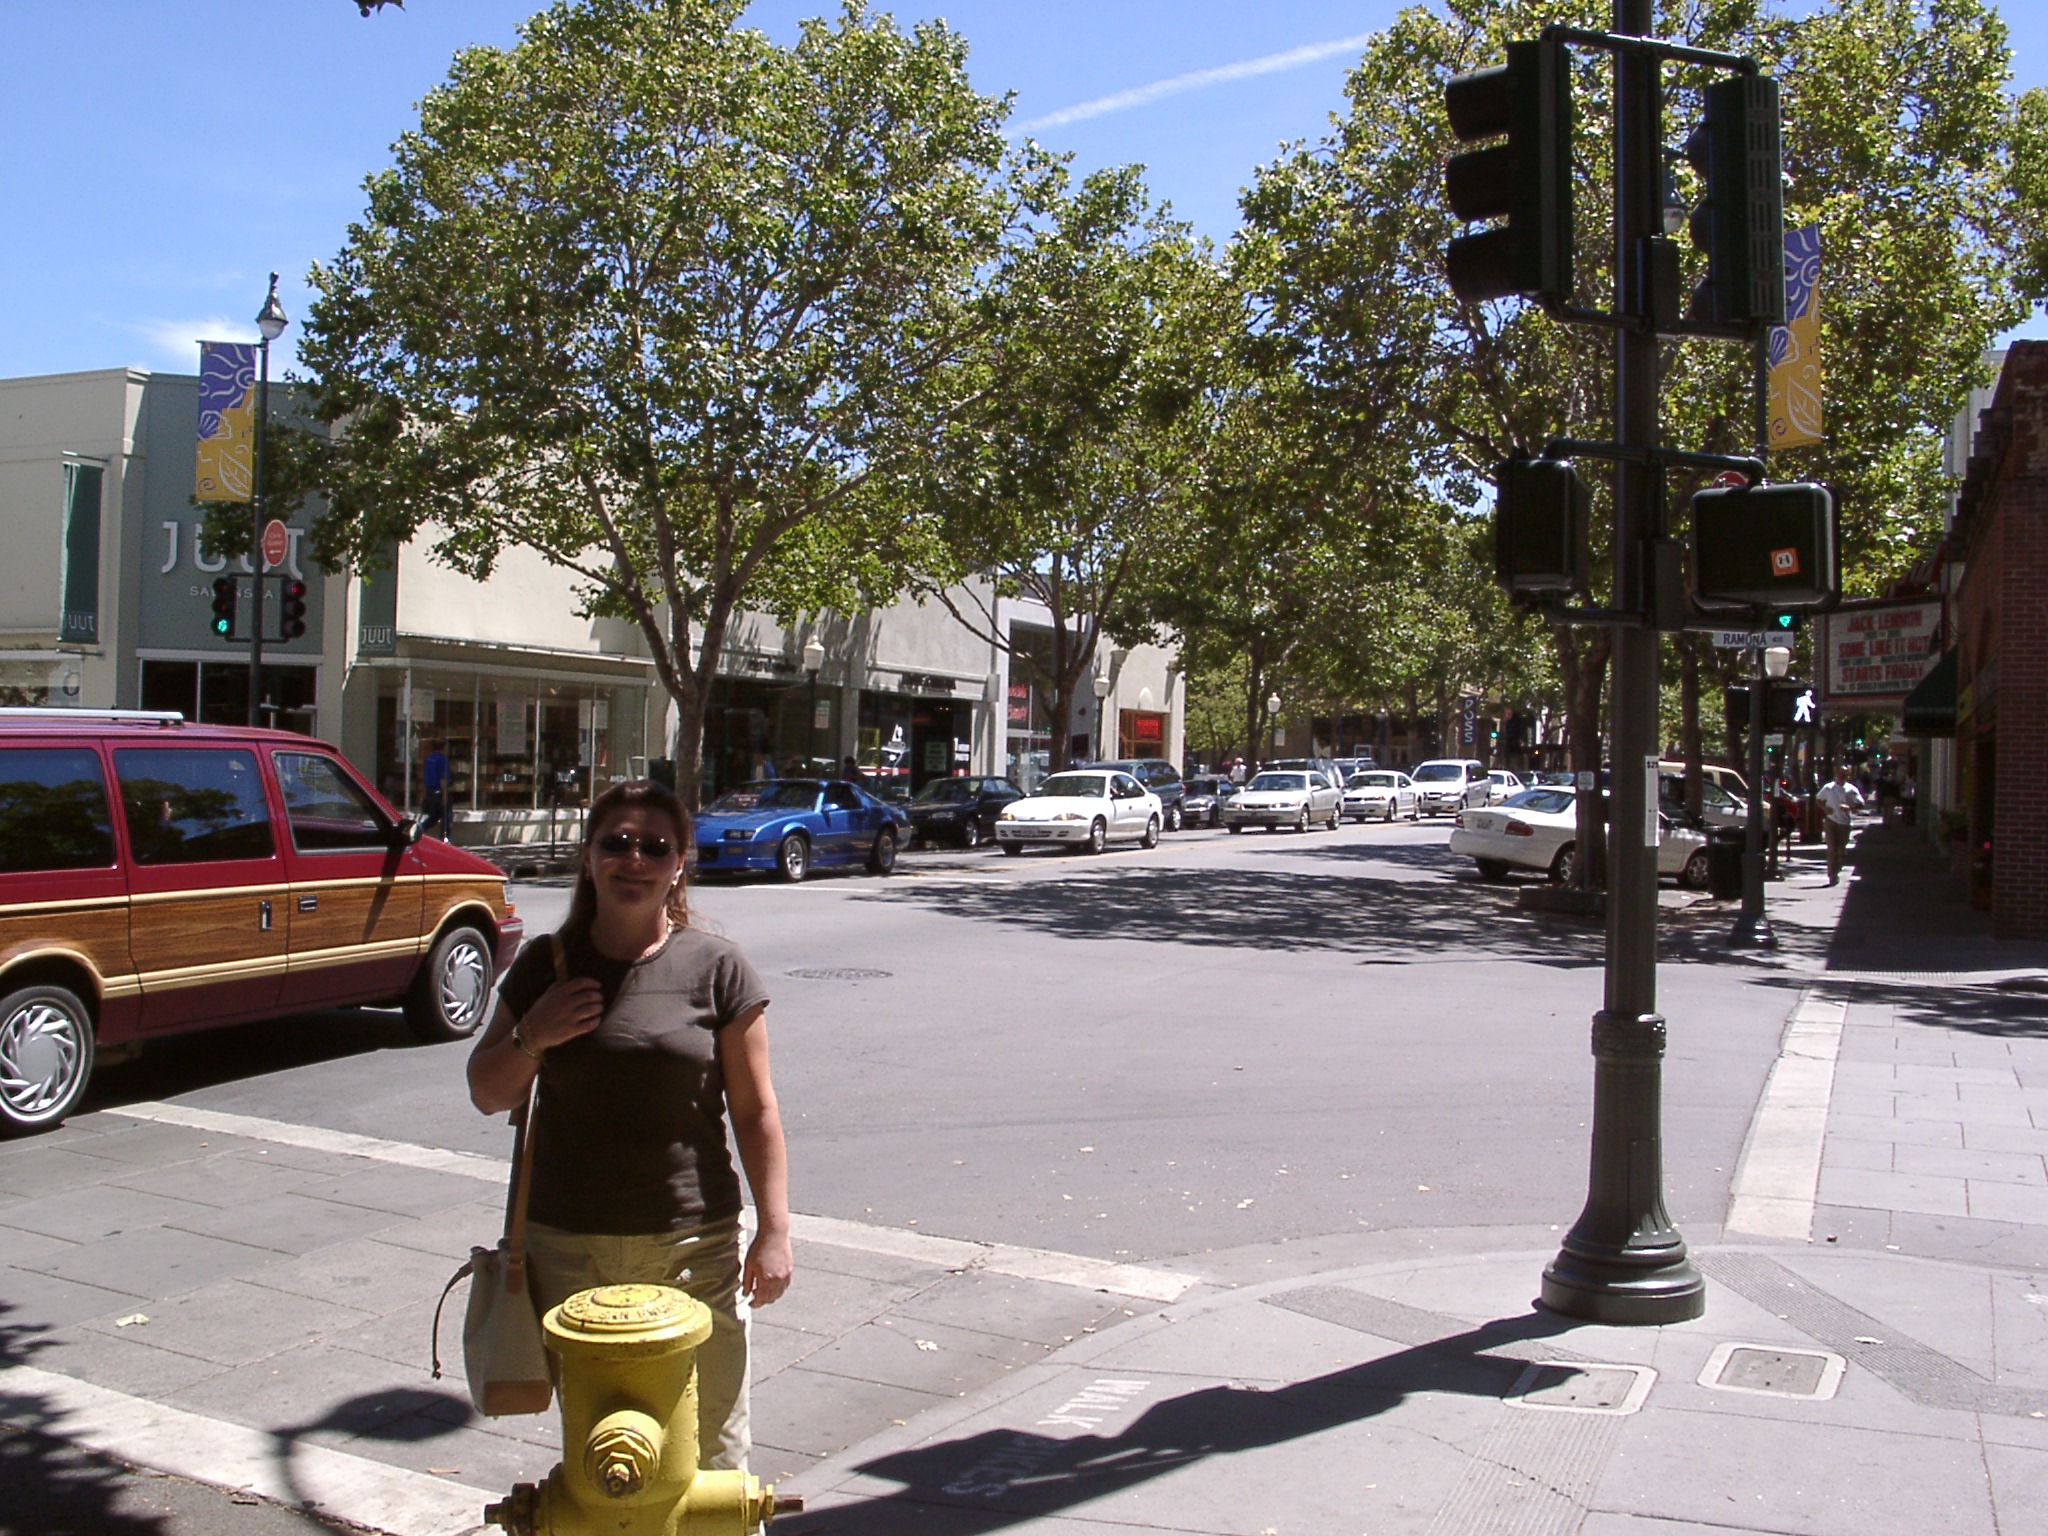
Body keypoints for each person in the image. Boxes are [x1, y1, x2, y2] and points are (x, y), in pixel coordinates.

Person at [467, 780, 790, 1473]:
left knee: (712, 1452)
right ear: (588, 858)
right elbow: (487, 1093)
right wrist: (533, 1035)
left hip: (692, 1246)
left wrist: (775, 1231)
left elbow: (755, 1109)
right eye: (616, 843)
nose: (633, 859)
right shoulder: (546, 965)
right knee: (604, 1457)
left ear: (679, 864)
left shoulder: (718, 967)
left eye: (654, 847)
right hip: (567, 1249)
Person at [1816, 763, 1865, 886]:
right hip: (1830, 821)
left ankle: (1836, 870)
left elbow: (1861, 803)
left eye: (1844, 774)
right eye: (1840, 774)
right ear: (1836, 774)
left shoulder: (1851, 789)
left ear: (1847, 776)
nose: (1842, 776)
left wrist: (1849, 807)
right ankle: (1832, 875)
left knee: (1841, 851)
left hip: (1844, 823)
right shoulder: (1828, 788)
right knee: (1832, 849)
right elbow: (1818, 800)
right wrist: (1825, 808)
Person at [421, 737, 451, 841]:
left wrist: (425, 794)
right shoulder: (442, 760)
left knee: (434, 816)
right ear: (444, 747)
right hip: (438, 791)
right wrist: (444, 795)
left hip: (430, 790)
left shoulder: (429, 759)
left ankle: (419, 829)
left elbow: (426, 776)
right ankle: (444, 837)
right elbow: (443, 779)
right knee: (446, 816)